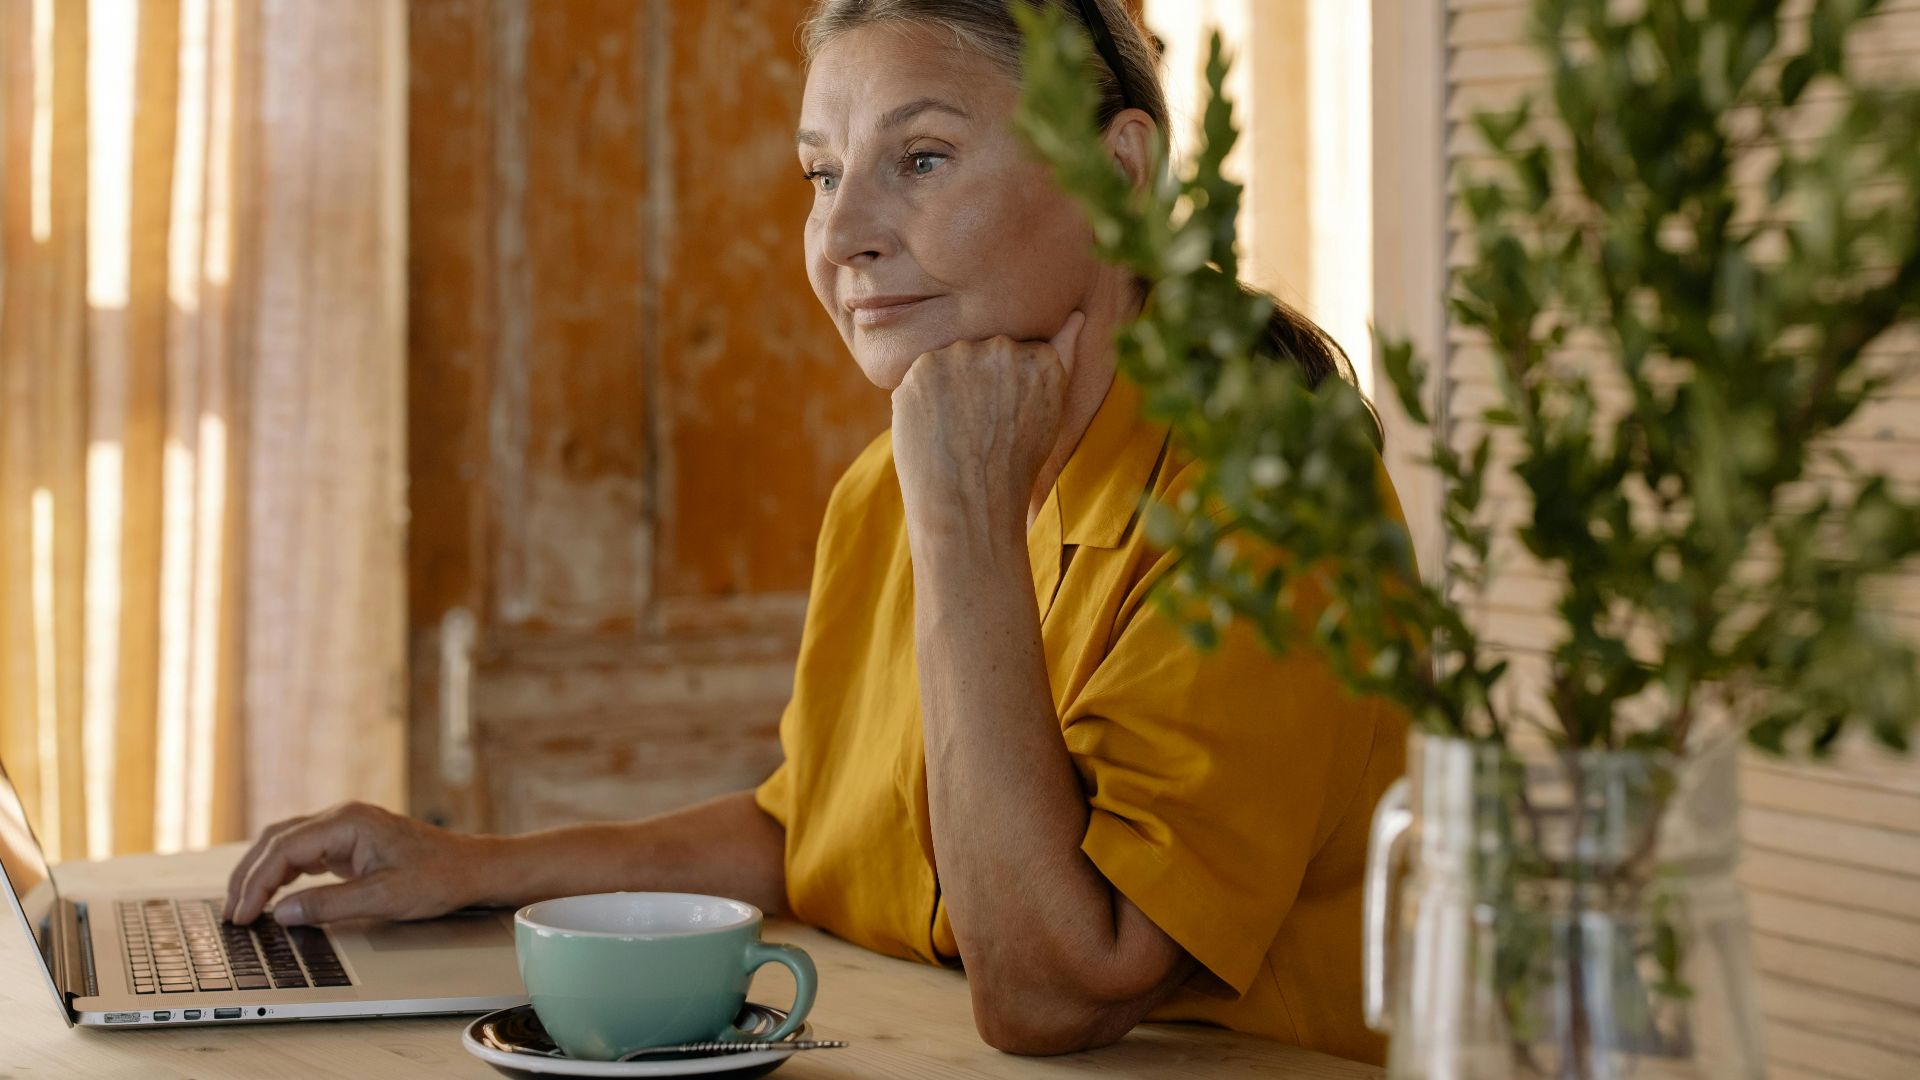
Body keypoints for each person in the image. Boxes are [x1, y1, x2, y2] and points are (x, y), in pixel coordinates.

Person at [223, 0, 1409, 1063]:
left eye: (923, 158)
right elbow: (817, 832)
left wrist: (960, 527)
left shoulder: (1271, 508)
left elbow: (1060, 989)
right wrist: (467, 865)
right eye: (820, 174)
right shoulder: (886, 490)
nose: (842, 236)